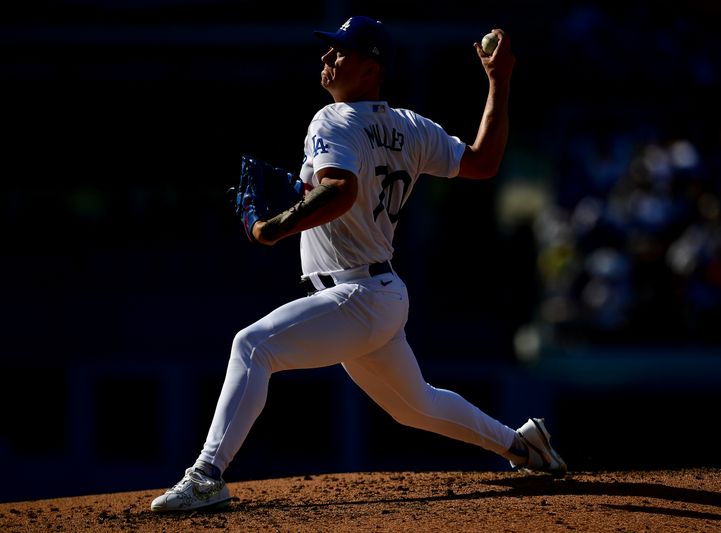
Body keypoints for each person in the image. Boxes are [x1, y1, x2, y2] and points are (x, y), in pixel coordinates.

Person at [150, 15, 566, 512]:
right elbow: (482, 161)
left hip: (356, 295)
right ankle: (522, 445)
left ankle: (206, 476)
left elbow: (342, 192)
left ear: (371, 68)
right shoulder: (410, 126)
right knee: (418, 406)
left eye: (340, 52)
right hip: (378, 293)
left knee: (252, 346)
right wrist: (498, 83)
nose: (327, 57)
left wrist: (273, 227)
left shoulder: (332, 120)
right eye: (329, 50)